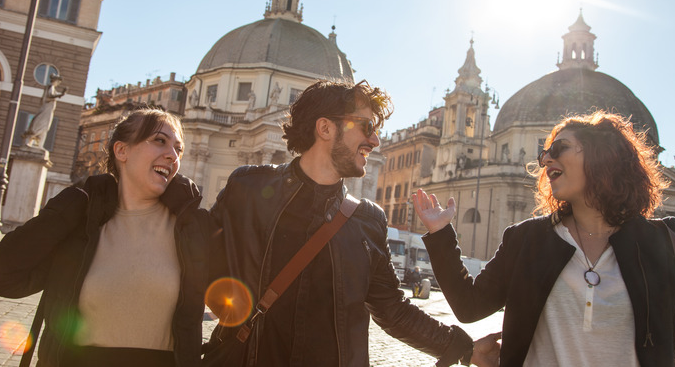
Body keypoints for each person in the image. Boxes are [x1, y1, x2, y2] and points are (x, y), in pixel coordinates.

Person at [203, 80, 500, 367]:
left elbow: (392, 309)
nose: (375, 141)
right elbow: (196, 265)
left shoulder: (369, 220)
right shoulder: (248, 188)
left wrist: (466, 349)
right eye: (367, 127)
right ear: (325, 128)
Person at [413, 110, 675, 367]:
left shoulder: (666, 241)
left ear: (603, 156)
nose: (546, 159)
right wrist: (441, 235)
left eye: (559, 149)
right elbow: (469, 305)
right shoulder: (525, 239)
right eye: (544, 152)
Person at [0, 108, 213, 367]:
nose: (172, 155)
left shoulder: (191, 228)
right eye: (159, 140)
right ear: (122, 151)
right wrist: (62, 212)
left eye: (178, 149)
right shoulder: (82, 221)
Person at [23, 73, 67, 149]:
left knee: (45, 127)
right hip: (45, 110)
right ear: (55, 80)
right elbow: (50, 96)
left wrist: (61, 94)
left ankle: (40, 145)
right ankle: (29, 141)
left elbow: (54, 95)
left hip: (49, 111)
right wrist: (61, 94)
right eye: (58, 81)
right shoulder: (50, 86)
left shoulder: (53, 88)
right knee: (39, 126)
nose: (58, 83)